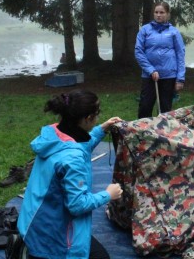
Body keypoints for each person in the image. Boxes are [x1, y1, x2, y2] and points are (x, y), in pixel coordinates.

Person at [15, 90, 123, 259]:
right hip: (52, 237)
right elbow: (77, 205)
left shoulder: (54, 135)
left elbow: (79, 145)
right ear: (87, 118)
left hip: (35, 222)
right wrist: (108, 194)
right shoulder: (72, 159)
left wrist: (101, 129)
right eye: (97, 114)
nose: (98, 118)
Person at [135, 1, 186, 118]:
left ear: (167, 14)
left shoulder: (174, 32)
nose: (158, 15)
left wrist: (180, 78)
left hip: (169, 76)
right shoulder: (145, 30)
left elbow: (180, 55)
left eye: (162, 12)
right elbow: (138, 51)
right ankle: (144, 128)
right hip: (149, 76)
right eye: (156, 12)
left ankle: (163, 129)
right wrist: (151, 70)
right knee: (145, 107)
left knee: (165, 109)